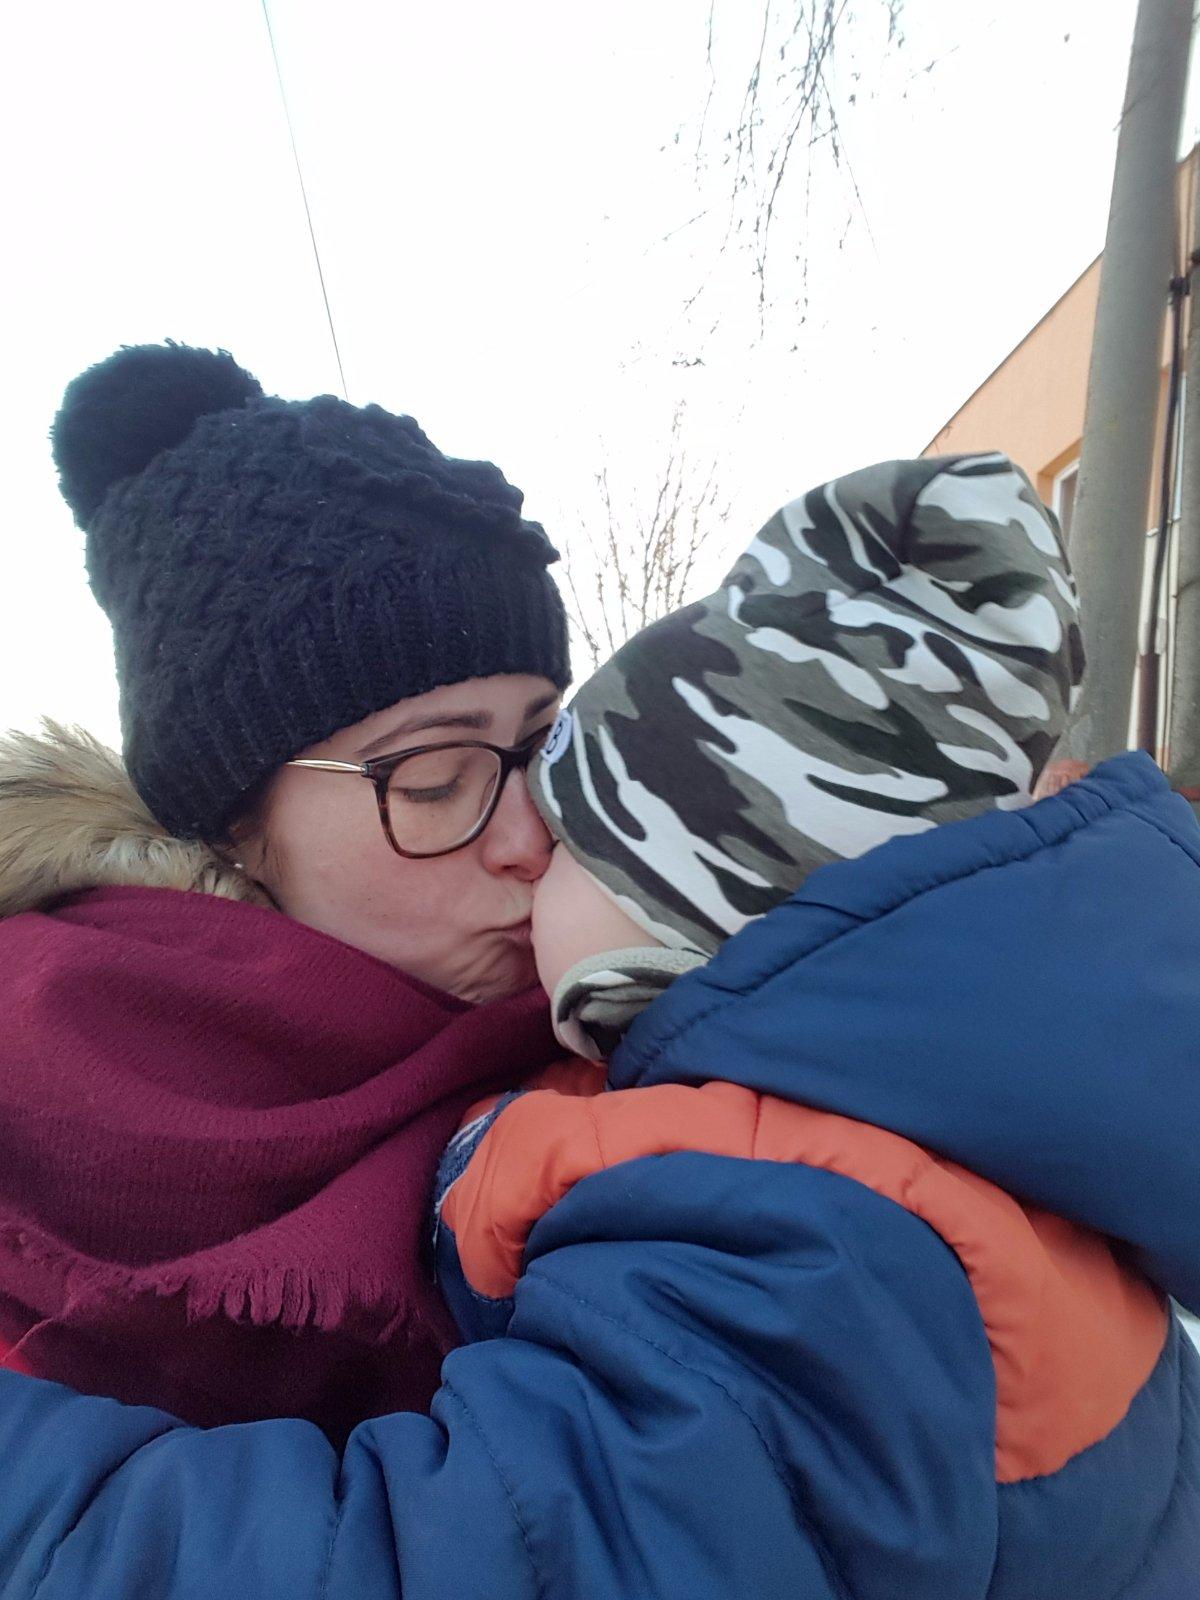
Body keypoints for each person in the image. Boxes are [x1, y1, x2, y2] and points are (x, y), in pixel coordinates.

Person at [0, 347, 1196, 1598]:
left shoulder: (678, 1060)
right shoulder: (57, 1095)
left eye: (543, 746)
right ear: (234, 821)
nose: (531, 833)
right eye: (437, 778)